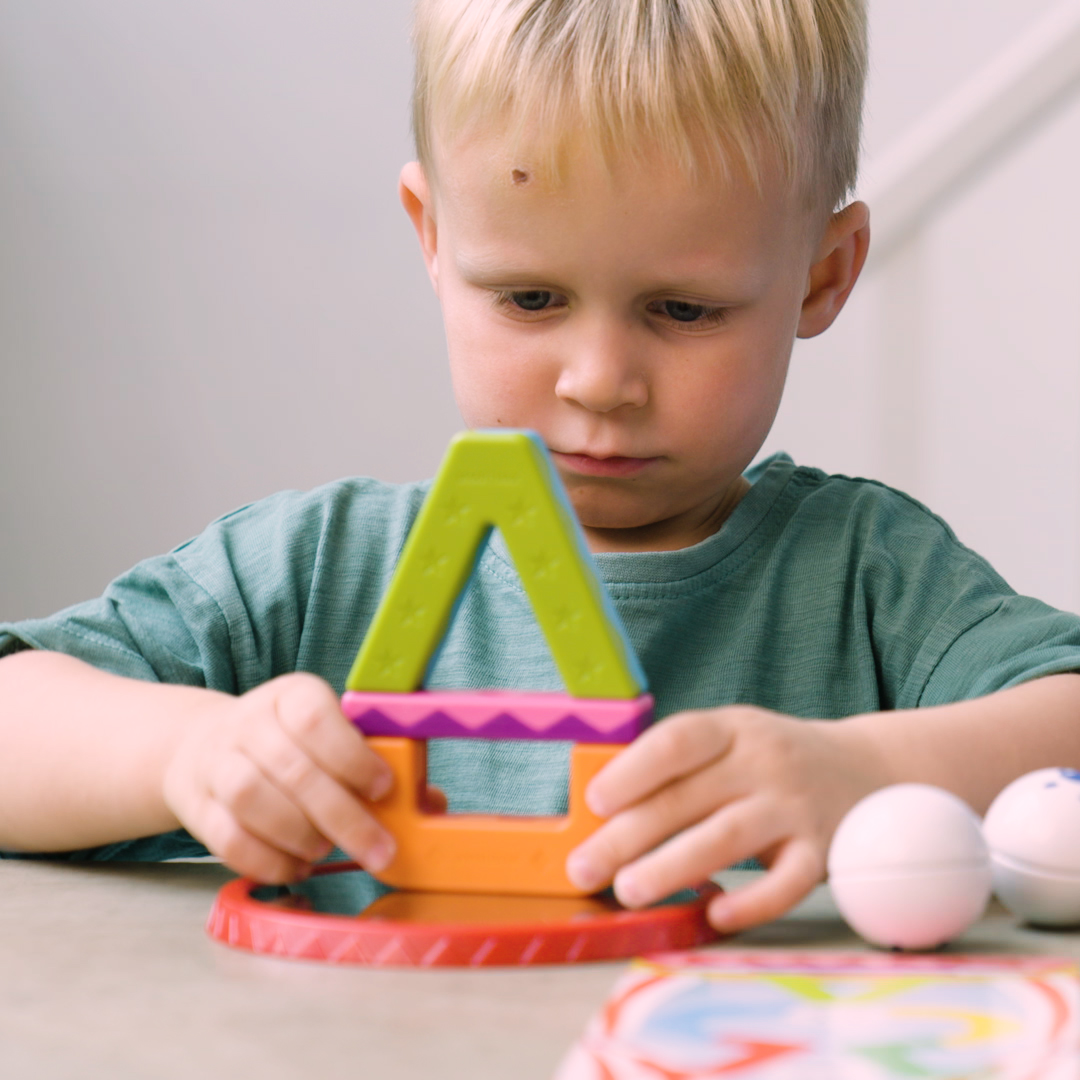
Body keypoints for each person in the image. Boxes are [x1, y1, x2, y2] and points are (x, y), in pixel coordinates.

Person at [2, 0, 1079, 935]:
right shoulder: (308, 575)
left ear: (822, 275)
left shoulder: (866, 579)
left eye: (684, 309)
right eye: (530, 299)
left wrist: (870, 778)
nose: (600, 380)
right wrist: (188, 751)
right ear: (433, 236)